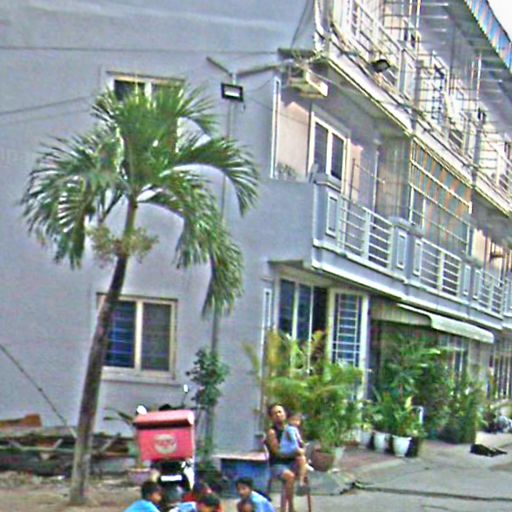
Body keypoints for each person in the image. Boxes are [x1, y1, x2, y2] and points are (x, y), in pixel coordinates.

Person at [265, 404, 308, 512]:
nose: (278, 415)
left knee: (302, 458)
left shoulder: (292, 429)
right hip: (278, 465)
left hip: (293, 463)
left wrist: (301, 449)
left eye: (280, 412)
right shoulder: (272, 432)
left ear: (285, 414)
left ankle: (301, 483)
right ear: (271, 417)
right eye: (274, 413)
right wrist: (295, 452)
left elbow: (300, 444)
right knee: (290, 476)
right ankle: (291, 508)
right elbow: (278, 453)